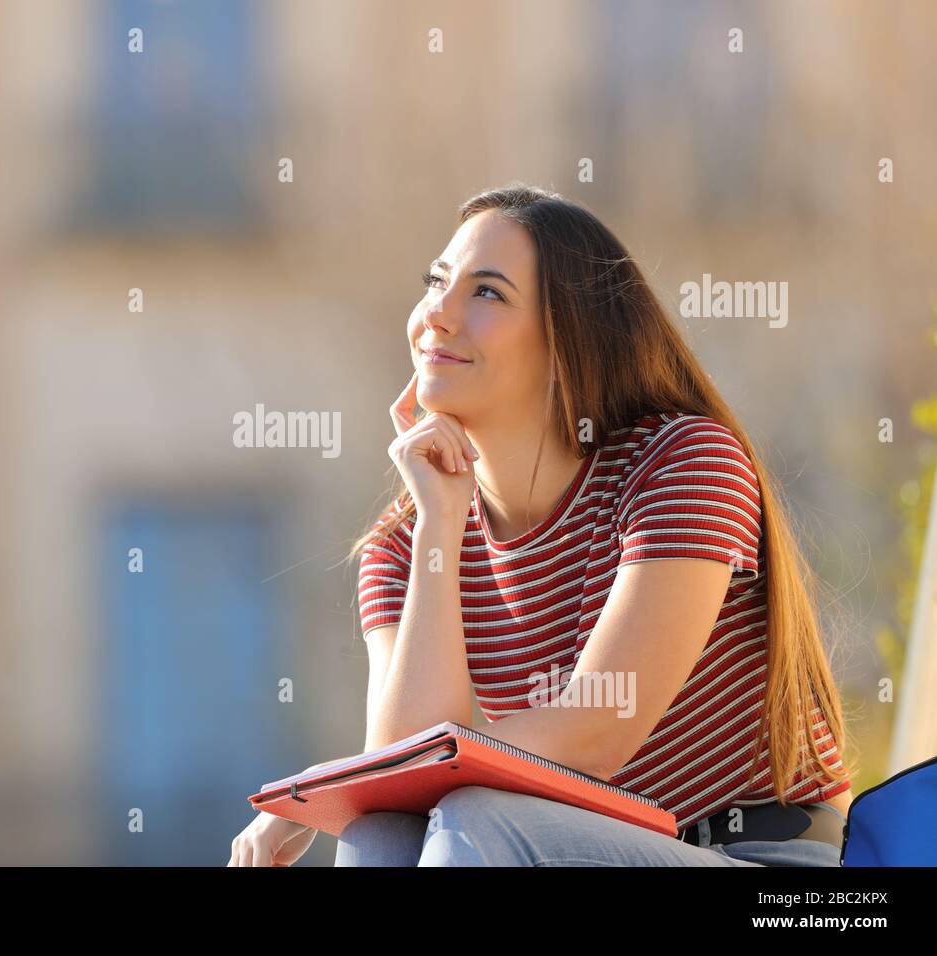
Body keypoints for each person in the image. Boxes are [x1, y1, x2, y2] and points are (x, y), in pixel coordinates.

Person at [228, 183, 853, 867]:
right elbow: (402, 775)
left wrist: (332, 786)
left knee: (475, 819)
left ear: (568, 341)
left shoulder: (679, 463)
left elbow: (594, 733)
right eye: (437, 283)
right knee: (382, 834)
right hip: (539, 848)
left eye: (487, 293)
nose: (436, 314)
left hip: (758, 863)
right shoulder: (403, 543)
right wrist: (440, 522)